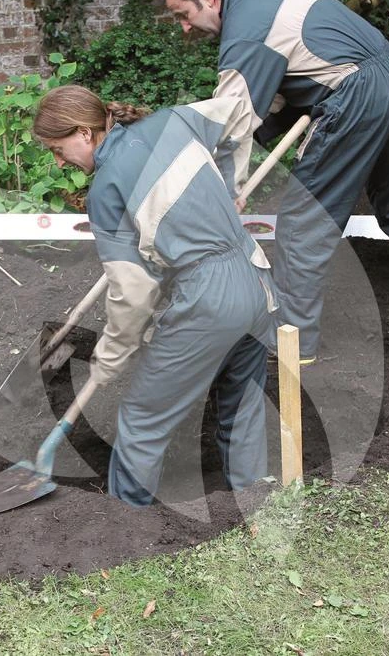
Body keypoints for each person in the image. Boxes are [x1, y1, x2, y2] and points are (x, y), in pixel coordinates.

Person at [164, 0, 389, 365]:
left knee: (304, 219)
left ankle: (292, 337)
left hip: (358, 94)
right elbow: (283, 86)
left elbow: (231, 120)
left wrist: (219, 190)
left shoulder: (248, 29)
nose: (184, 27)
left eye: (182, 14)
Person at [33, 84, 277, 507]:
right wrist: (227, 181)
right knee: (242, 408)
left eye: (58, 148)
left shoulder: (106, 189)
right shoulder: (173, 120)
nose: (58, 162)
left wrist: (109, 359)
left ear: (84, 133)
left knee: (143, 418)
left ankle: (126, 522)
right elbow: (239, 113)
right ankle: (256, 505)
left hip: (209, 300)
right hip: (256, 282)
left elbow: (133, 294)